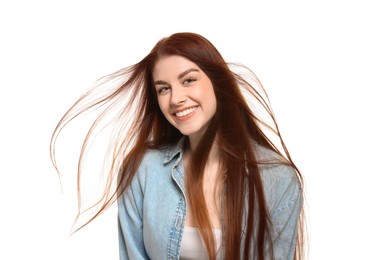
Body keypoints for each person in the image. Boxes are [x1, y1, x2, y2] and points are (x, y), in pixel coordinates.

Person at [50, 32, 305, 260]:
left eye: (189, 80)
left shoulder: (277, 178)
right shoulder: (141, 170)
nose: (176, 99)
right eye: (163, 89)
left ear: (218, 82)